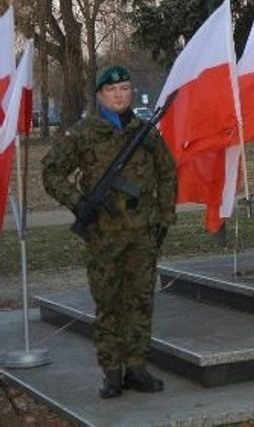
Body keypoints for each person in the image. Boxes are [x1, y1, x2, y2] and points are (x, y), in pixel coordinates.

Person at [42, 65, 177, 399]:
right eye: (113, 90)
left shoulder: (144, 132)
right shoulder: (85, 132)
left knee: (141, 301)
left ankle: (137, 367)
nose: (120, 95)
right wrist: (79, 203)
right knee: (108, 303)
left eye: (126, 89)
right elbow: (51, 171)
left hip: (142, 235)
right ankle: (112, 372)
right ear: (101, 95)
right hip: (103, 235)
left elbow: (168, 173)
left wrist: (163, 218)